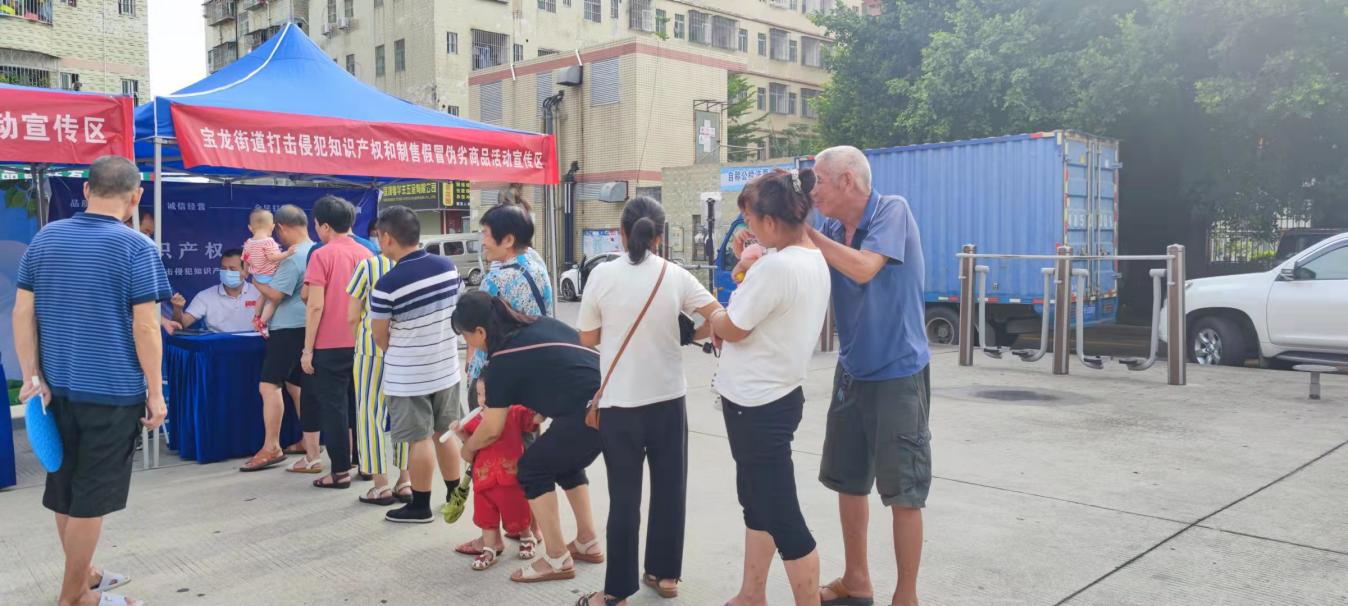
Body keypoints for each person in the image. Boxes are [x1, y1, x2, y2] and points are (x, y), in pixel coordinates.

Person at [13, 155, 171, 606]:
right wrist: (156, 391)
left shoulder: (46, 238)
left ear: (86, 190)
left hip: (57, 388)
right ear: (136, 196)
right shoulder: (137, 247)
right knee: (91, 499)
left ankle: (88, 574)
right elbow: (146, 327)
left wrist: (32, 376)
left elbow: (22, 313)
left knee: (66, 488)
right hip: (113, 393)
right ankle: (76, 597)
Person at [575, 196, 722, 605]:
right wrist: (687, 334)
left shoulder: (602, 275)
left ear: (622, 233)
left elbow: (587, 337)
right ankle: (665, 574)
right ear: (659, 236)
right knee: (670, 489)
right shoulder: (676, 276)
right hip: (668, 400)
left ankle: (616, 592)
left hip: (620, 405)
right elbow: (717, 316)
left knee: (624, 499)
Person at [808, 146, 931, 606]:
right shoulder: (830, 228)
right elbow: (798, 254)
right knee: (848, 480)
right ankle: (856, 580)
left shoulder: (891, 210)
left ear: (847, 180)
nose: (813, 191)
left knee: (904, 491)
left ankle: (906, 596)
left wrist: (805, 233)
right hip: (852, 370)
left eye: (819, 180)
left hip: (898, 372)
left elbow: (862, 268)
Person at [710, 169, 831, 606]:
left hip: (757, 405)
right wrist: (748, 266)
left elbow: (733, 325)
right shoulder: (810, 258)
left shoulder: (777, 267)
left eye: (752, 220)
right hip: (775, 396)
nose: (748, 229)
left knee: (783, 515)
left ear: (772, 221)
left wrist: (713, 315)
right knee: (757, 502)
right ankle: (751, 594)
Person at [451, 292, 604, 585]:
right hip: (612, 399)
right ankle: (587, 541)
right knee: (563, 460)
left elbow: (492, 428)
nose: (468, 342)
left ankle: (557, 559)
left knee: (532, 468)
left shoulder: (502, 361)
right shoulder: (539, 323)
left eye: (466, 335)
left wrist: (468, 448)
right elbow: (563, 364)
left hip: (591, 411)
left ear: (480, 332)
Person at [459, 203, 551, 553]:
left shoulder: (496, 279)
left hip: (497, 378)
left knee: (489, 456)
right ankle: (531, 527)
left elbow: (480, 333)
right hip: (534, 374)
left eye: (485, 234)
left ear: (508, 239)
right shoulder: (537, 265)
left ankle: (490, 537)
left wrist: (476, 369)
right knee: (526, 452)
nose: (482, 241)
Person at [369, 205, 464, 523]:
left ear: (387, 238)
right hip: (446, 367)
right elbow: (459, 312)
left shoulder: (387, 284)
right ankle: (454, 497)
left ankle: (420, 506)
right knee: (445, 433)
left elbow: (379, 336)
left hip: (409, 376)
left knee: (419, 439)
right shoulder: (448, 267)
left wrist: (402, 350)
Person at [300, 195, 373, 489]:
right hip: (363, 342)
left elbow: (314, 305)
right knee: (361, 406)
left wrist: (307, 350)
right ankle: (367, 465)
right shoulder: (368, 253)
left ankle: (340, 471)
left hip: (329, 345)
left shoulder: (322, 255)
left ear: (326, 226)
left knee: (334, 409)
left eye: (317, 225)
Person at [240, 204, 314, 472]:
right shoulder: (316, 250)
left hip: (287, 329)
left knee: (269, 385)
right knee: (298, 385)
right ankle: (309, 441)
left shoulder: (292, 257)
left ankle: (272, 446)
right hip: (308, 326)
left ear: (280, 228)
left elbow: (275, 294)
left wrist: (253, 281)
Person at [345, 220, 411, 505]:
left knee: (369, 413)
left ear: (385, 237)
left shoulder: (368, 266)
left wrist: (361, 340)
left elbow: (352, 315)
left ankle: (380, 485)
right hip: (406, 348)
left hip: (370, 348)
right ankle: (405, 480)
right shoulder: (415, 267)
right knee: (404, 412)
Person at [449, 405, 541, 570]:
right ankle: (489, 549)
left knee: (517, 510)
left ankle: (527, 537)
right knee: (486, 516)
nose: (482, 399)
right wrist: (459, 431)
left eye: (486, 394)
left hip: (509, 475)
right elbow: (469, 441)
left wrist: (545, 404)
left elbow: (533, 420)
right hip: (483, 477)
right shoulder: (475, 418)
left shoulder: (514, 412)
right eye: (479, 394)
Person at [169, 248, 262, 333]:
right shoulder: (205, 296)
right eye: (223, 268)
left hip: (253, 344)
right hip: (218, 344)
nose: (227, 272)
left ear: (245, 272)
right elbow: (181, 325)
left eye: (232, 269)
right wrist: (177, 308)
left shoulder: (259, 293)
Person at [242, 208, 297, 336]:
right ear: (272, 226)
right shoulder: (268, 241)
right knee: (274, 300)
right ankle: (262, 322)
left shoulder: (248, 242)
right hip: (270, 276)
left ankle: (256, 317)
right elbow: (273, 257)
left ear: (250, 228)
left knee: (263, 296)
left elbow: (245, 259)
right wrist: (287, 253)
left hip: (258, 276)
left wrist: (245, 272)